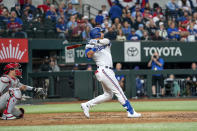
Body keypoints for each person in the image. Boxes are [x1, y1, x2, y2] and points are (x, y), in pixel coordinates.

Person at [81, 27, 141, 118]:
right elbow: (89, 56)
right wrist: (94, 48)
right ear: (97, 34)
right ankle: (131, 112)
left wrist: (96, 43)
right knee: (118, 90)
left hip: (107, 71)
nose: (102, 33)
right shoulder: (89, 46)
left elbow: (107, 41)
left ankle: (87, 105)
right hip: (104, 70)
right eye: (101, 32)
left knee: (108, 95)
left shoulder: (104, 41)